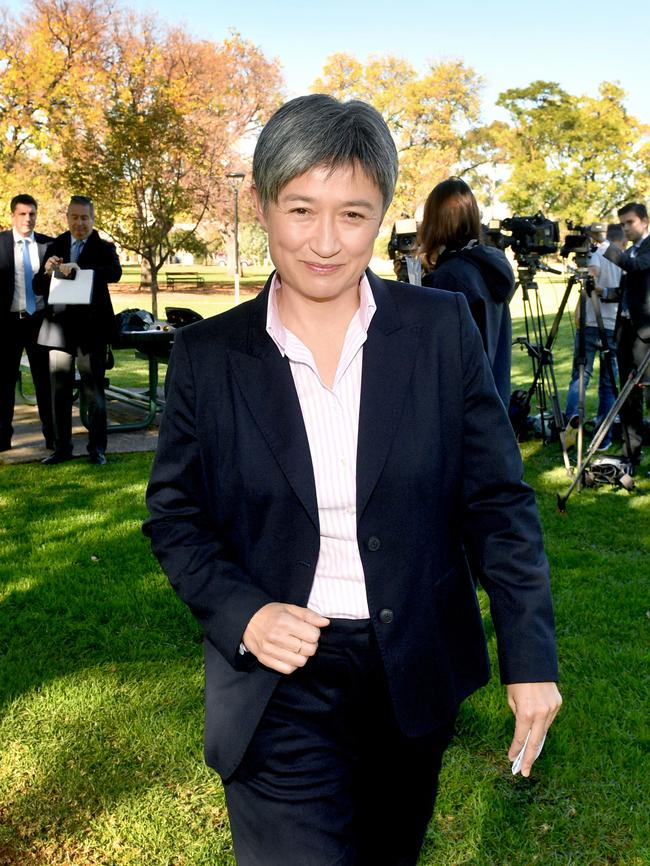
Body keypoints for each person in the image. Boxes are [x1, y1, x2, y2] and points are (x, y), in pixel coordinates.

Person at [143, 94, 561, 866]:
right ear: (265, 206)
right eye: (301, 209)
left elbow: (497, 501)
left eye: (354, 214)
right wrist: (245, 613)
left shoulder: (439, 331)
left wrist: (529, 658)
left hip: (412, 671)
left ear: (384, 218)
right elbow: (175, 516)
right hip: (277, 685)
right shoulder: (208, 356)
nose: (326, 242)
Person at [36, 195, 121, 465]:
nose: (80, 223)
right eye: (75, 217)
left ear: (93, 219)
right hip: (58, 329)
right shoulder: (56, 244)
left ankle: (97, 449)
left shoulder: (103, 247)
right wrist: (47, 271)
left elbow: (115, 273)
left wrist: (81, 268)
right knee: (58, 391)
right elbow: (38, 285)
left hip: (92, 331)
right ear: (68, 217)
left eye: (85, 218)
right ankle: (62, 448)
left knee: (92, 390)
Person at [419, 177, 515, 408]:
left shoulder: (451, 276)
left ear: (434, 221)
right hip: (493, 405)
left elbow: (436, 357)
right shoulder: (488, 265)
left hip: (462, 409)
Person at [0, 194, 54, 451]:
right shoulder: (0, 244)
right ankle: (2, 439)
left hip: (39, 321)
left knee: (45, 381)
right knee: (4, 383)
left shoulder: (48, 246)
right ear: (12, 216)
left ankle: (52, 437)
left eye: (31, 213)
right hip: (8, 323)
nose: (28, 219)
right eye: (22, 214)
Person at [564, 224, 625, 451]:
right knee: (608, 384)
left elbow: (590, 275)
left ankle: (570, 431)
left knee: (580, 377)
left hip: (591, 323)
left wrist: (583, 302)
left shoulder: (598, 253)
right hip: (613, 327)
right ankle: (603, 438)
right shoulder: (625, 258)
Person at [604, 202, 650, 467]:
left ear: (644, 221)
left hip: (645, 335)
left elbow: (637, 267)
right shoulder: (632, 249)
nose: (625, 228)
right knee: (628, 397)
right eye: (622, 224)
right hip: (627, 334)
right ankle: (630, 453)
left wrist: (605, 248)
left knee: (649, 397)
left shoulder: (642, 250)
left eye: (629, 223)